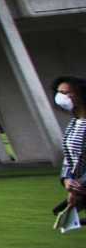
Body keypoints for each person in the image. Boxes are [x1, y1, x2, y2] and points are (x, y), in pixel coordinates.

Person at [54, 73, 85, 216]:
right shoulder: (74, 123)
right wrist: (67, 180)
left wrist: (79, 186)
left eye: (65, 93)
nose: (60, 97)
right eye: (59, 92)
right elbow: (69, 158)